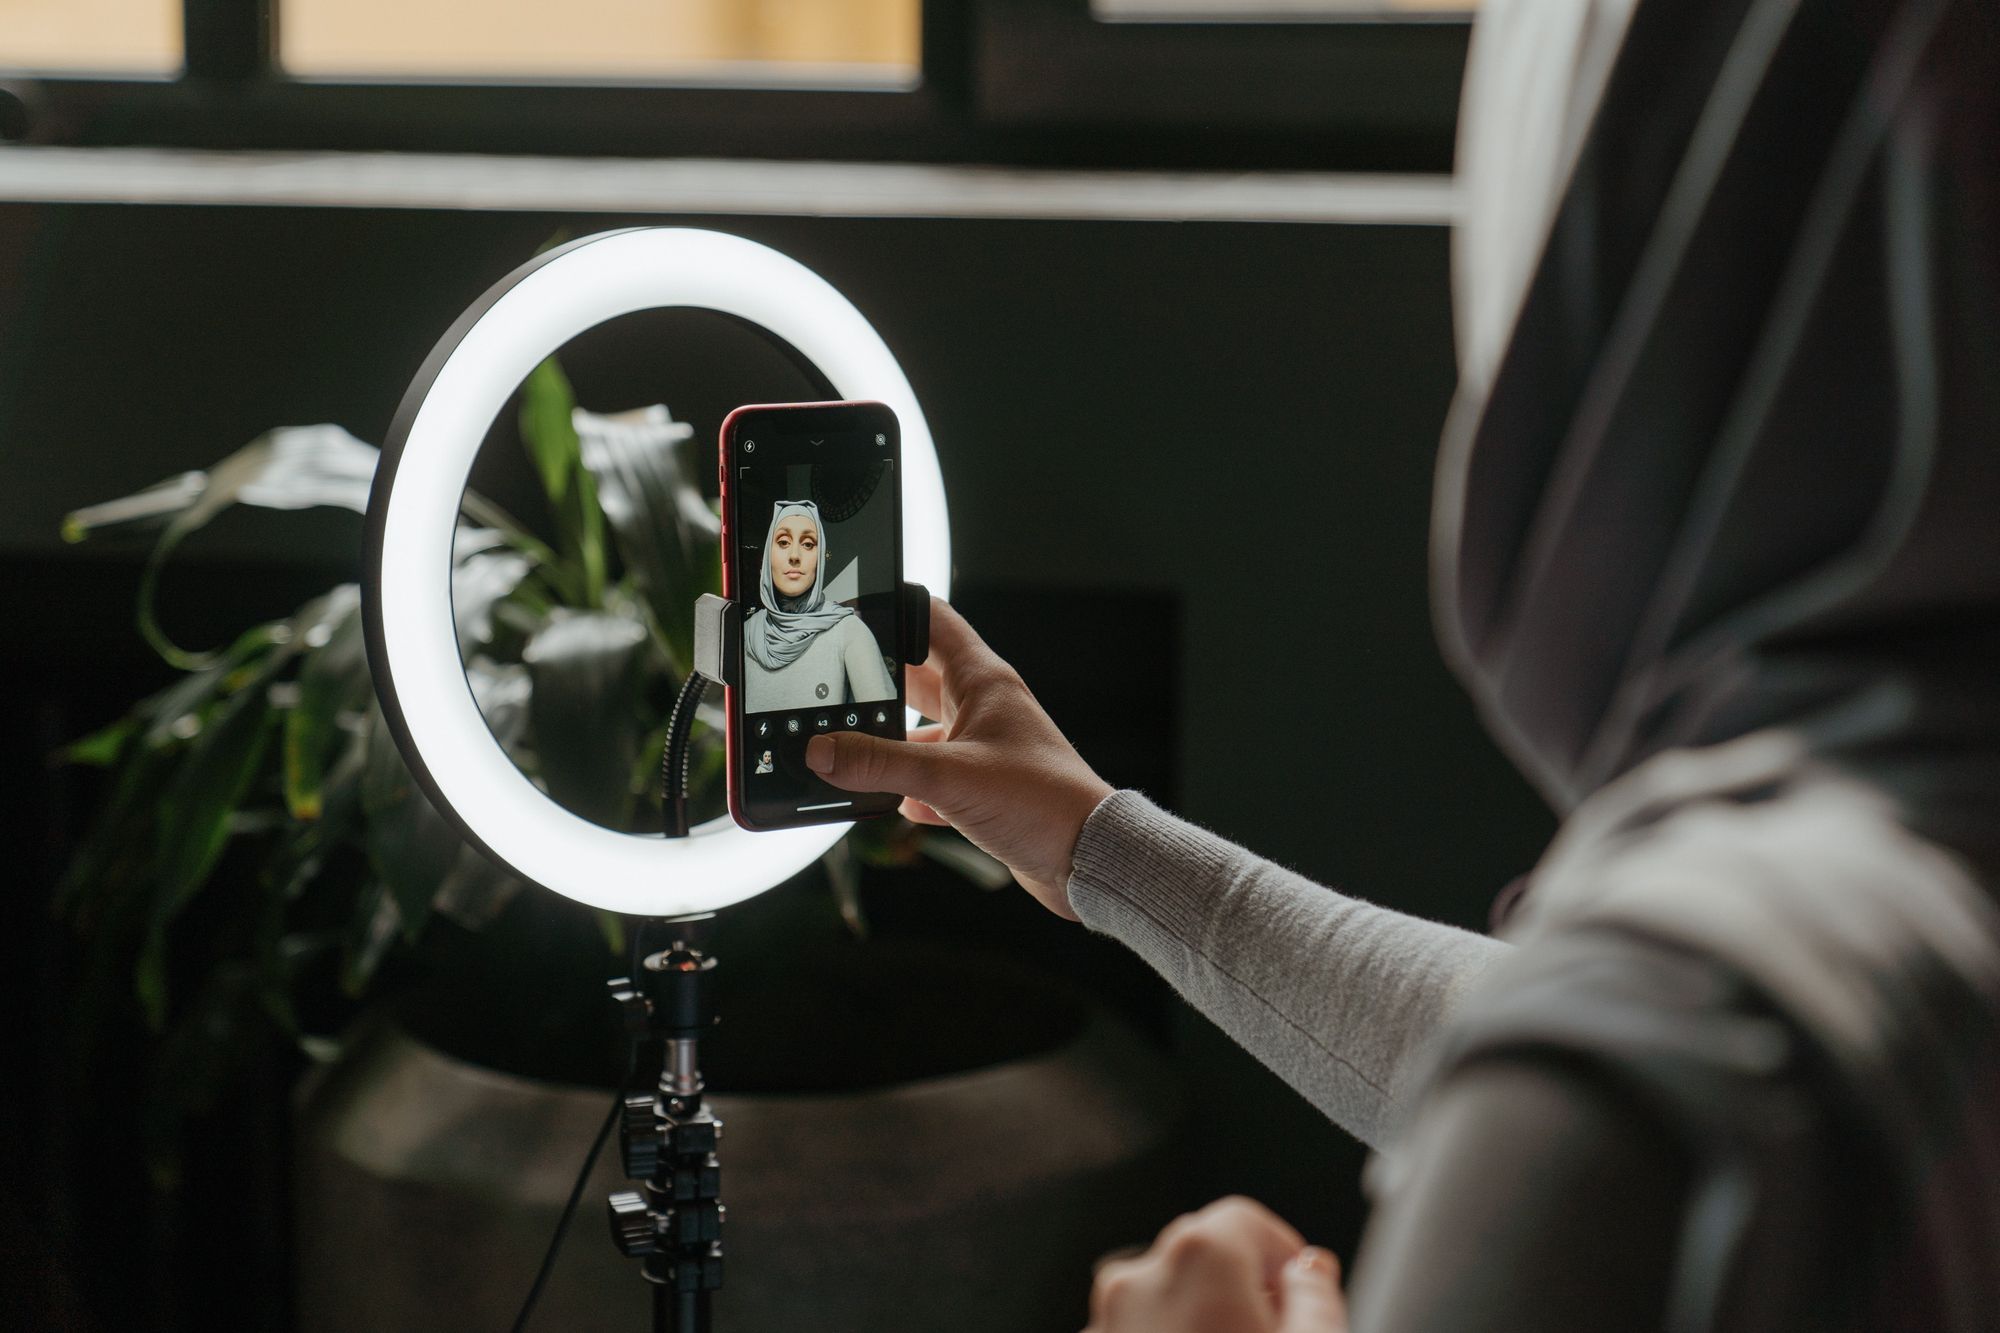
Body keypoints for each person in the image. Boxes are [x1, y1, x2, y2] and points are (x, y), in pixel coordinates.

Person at [800, 0, 2000, 1327]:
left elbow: (1619, 1067)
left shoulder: (1676, 1070)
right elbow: (1520, 1029)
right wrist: (1102, 847)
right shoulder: (1879, 882)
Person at [742, 499, 896, 712]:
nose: (794, 556)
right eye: (784, 542)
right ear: (769, 555)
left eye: (807, 544)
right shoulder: (744, 634)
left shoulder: (848, 631)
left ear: (820, 558)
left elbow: (881, 726)